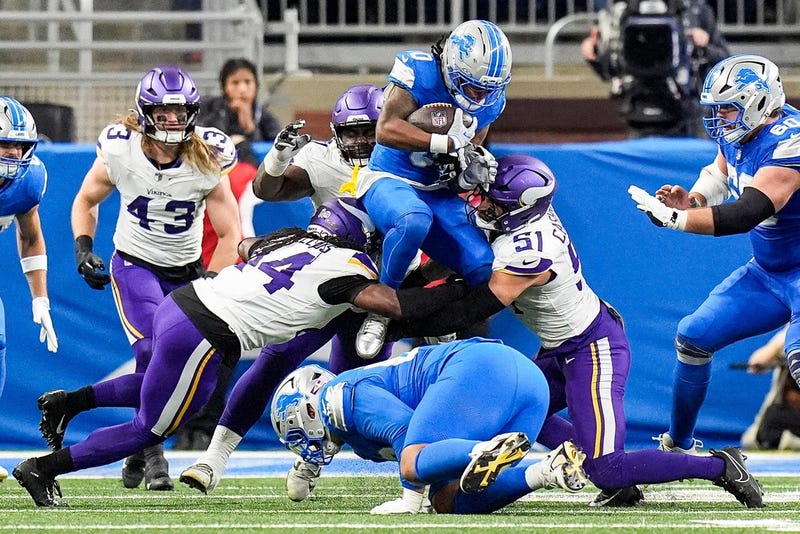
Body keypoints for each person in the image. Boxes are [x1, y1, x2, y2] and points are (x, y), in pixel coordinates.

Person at [13, 197, 471, 508]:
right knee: (151, 427)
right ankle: (43, 468)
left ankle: (69, 401)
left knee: (167, 392)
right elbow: (392, 305)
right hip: (206, 332)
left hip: (191, 302)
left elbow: (249, 245)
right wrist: (453, 287)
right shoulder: (349, 269)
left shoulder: (292, 239)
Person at [393, 154, 765, 508]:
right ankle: (620, 487)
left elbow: (473, 309)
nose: (483, 205)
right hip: (558, 348)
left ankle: (720, 466)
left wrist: (402, 322)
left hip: (592, 350)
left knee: (607, 466)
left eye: (493, 201)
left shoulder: (530, 248)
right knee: (516, 412)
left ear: (519, 209)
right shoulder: (517, 218)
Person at [178, 84, 393, 478]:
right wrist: (277, 158)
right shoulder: (322, 159)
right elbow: (267, 189)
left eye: (370, 130)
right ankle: (214, 456)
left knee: (357, 386)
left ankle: (313, 456)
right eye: (353, 132)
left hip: (376, 291)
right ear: (336, 132)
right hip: (324, 283)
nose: (361, 140)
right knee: (274, 360)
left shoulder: (406, 162)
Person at [63, 65, 242, 491]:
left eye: (181, 113)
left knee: (175, 364)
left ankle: (133, 444)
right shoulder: (122, 151)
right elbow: (86, 199)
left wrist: (213, 282)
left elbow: (231, 232)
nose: (174, 122)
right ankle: (152, 452)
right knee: (150, 351)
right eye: (164, 113)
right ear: (146, 113)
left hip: (187, 275)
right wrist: (83, 247)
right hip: (135, 266)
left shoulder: (206, 158)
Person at [627, 54, 800, 465]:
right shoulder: (740, 129)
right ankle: (679, 444)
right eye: (718, 107)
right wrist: (695, 199)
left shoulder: (790, 142)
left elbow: (747, 213)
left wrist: (677, 219)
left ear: (759, 102)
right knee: (694, 336)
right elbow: (721, 172)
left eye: (728, 107)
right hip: (770, 270)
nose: (720, 117)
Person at [270, 339, 588, 514]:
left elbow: (406, 431)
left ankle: (483, 449)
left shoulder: (339, 397)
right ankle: (546, 470)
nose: (302, 442)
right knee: (449, 499)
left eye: (295, 431)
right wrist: (306, 466)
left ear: (308, 409)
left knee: (412, 462)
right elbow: (297, 491)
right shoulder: (342, 411)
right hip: (527, 384)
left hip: (481, 369)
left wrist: (410, 500)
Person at [354, 19, 511, 359]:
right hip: (391, 177)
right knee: (413, 219)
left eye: (487, 89)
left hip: (438, 188)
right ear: (452, 68)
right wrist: (442, 141)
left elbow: (466, 155)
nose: (480, 97)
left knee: (484, 266)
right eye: (472, 87)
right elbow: (386, 129)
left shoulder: (490, 101)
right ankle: (381, 308)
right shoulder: (419, 71)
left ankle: (438, 324)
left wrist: (471, 168)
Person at [175, 58, 283, 452]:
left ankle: (205, 426)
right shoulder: (188, 161)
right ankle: (167, 425)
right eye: (234, 82)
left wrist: (250, 136)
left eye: (248, 82)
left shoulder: (247, 162)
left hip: (228, 265)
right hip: (187, 260)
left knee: (220, 348)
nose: (241, 90)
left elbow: (270, 173)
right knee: (176, 347)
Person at [0, 97, 58, 481]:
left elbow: (30, 234)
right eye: (4, 143)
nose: (13, 153)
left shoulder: (28, 180)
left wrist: (40, 297)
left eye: (19, 145)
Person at [581, 0, 729, 137]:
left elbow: (724, 61)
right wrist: (593, 55)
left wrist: (703, 46)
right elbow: (610, 70)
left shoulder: (694, 9)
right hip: (639, 109)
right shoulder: (623, 11)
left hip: (688, 109)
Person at [740, 326, 800, 450]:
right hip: (791, 413)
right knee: (755, 438)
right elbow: (755, 364)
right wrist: (785, 338)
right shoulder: (794, 330)